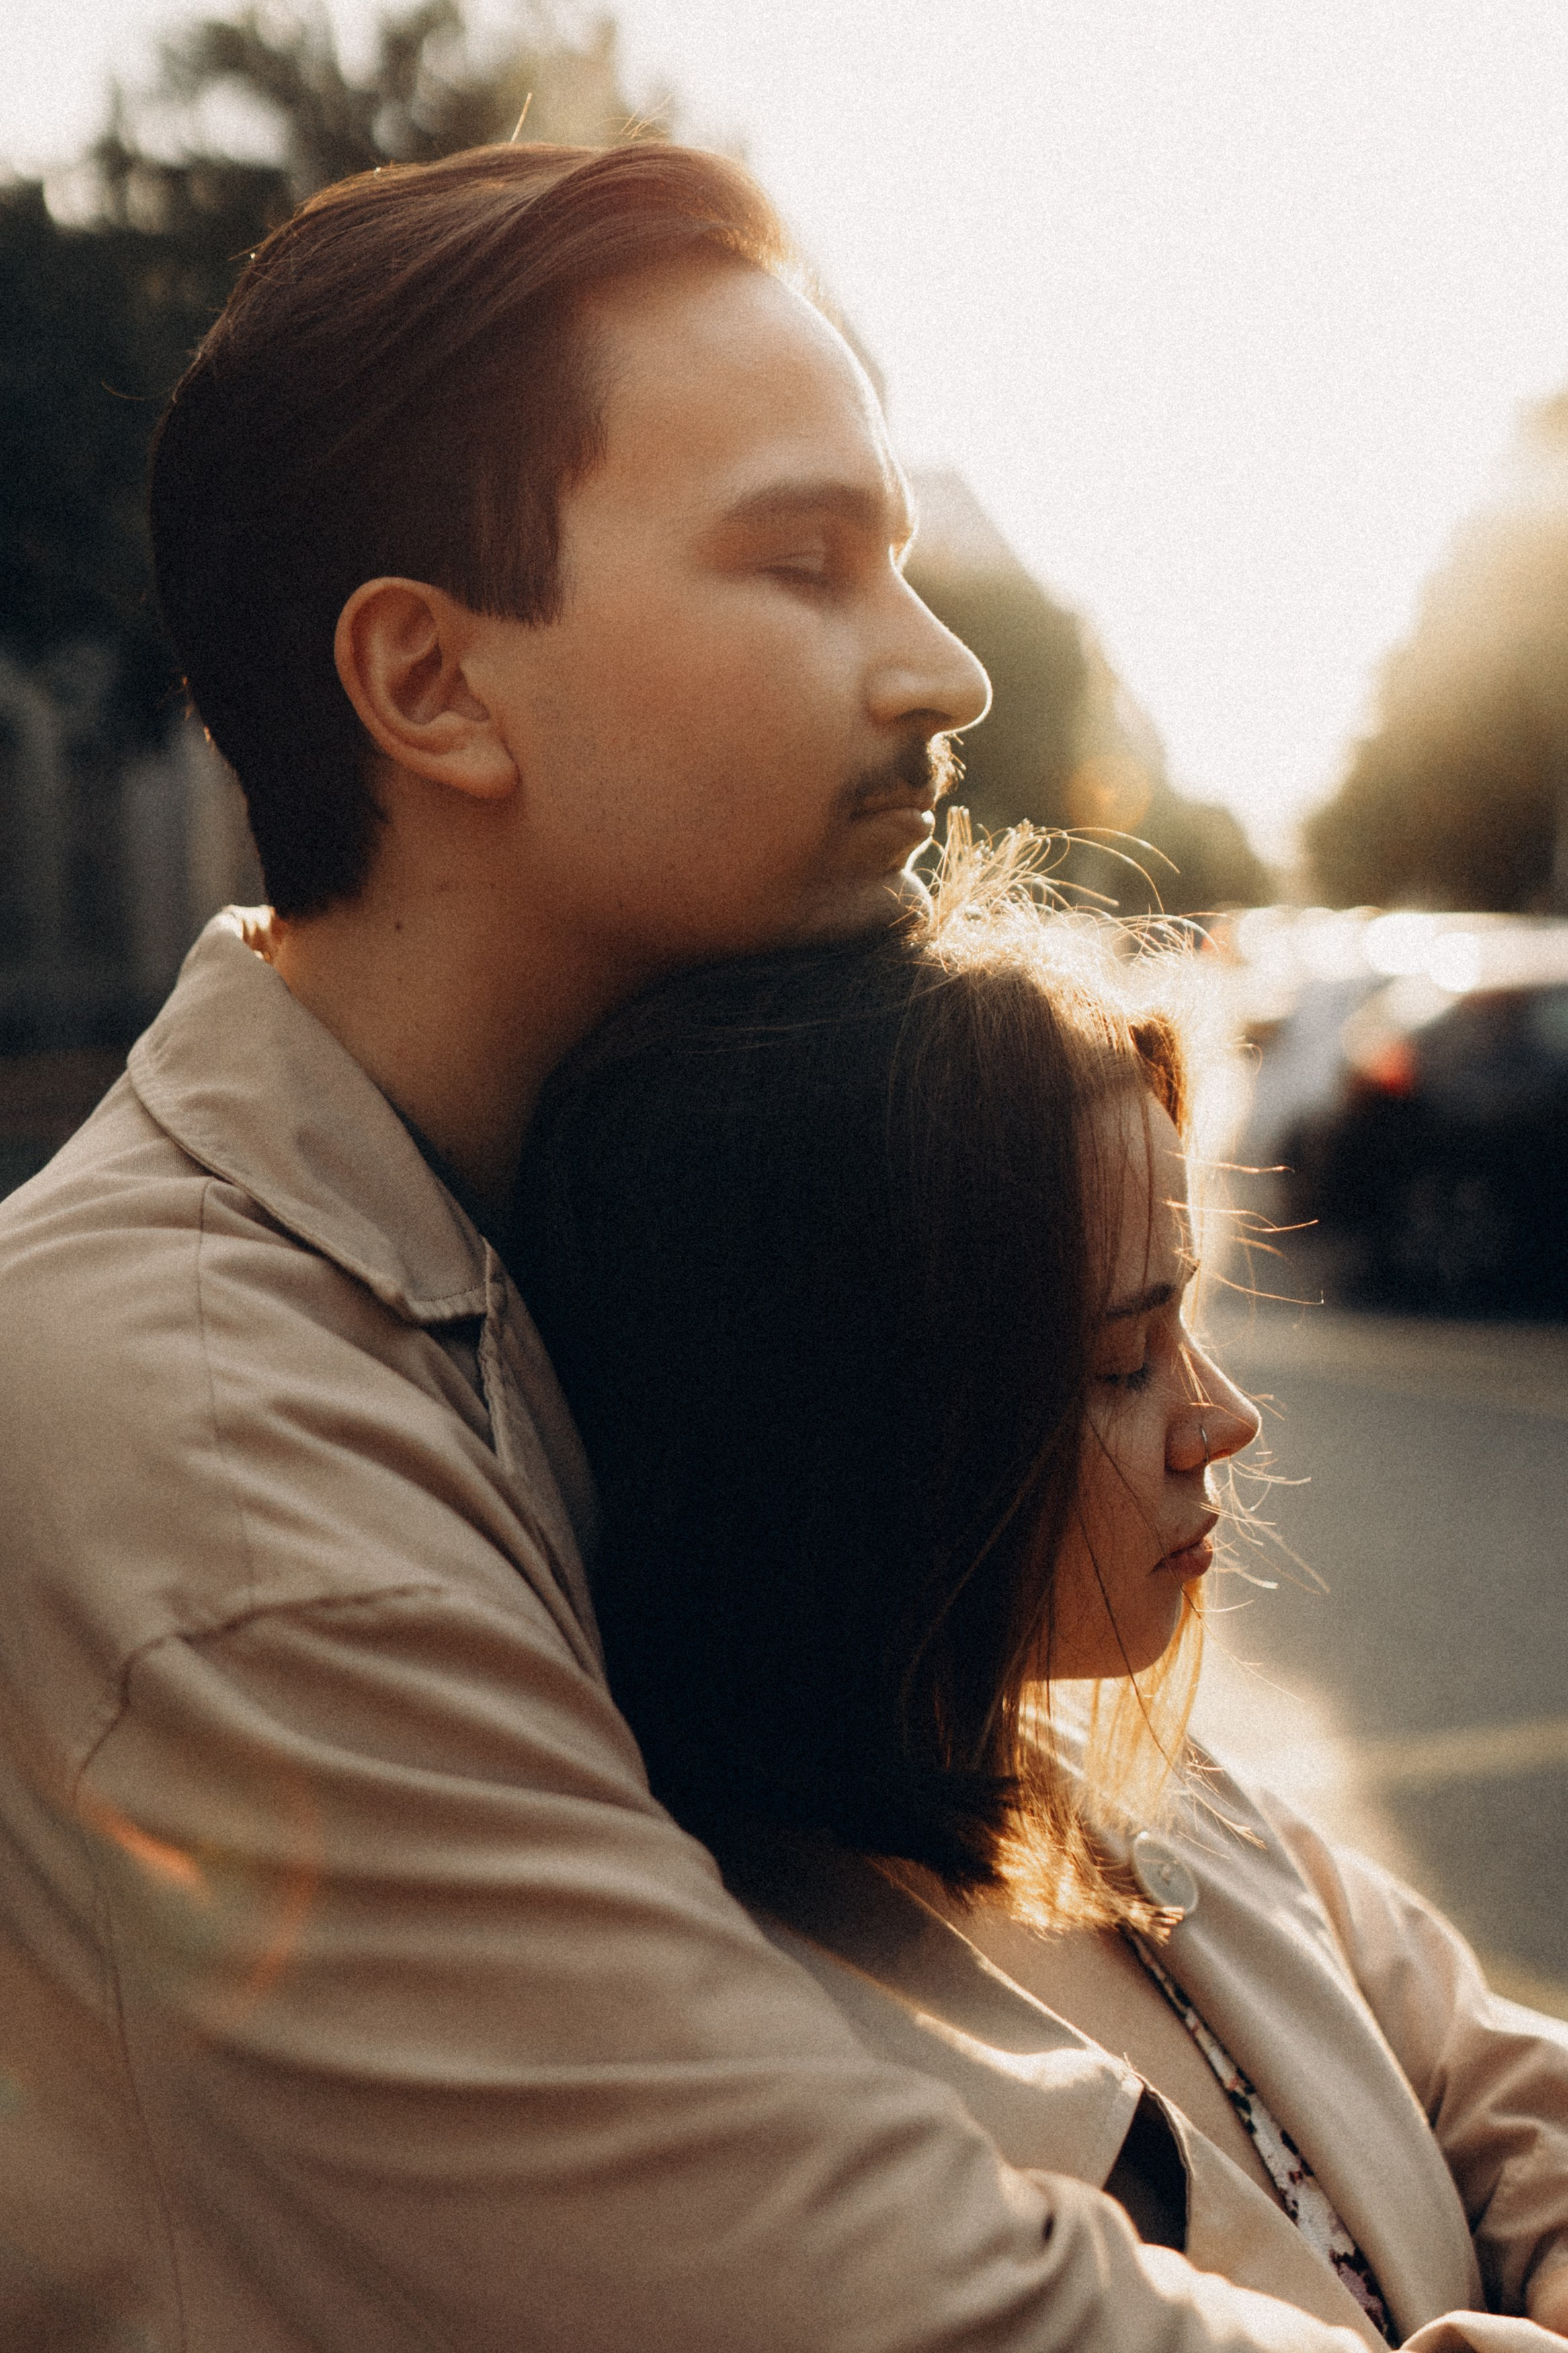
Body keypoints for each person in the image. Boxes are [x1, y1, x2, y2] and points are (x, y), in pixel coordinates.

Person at [0, 136, 1430, 2353]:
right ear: (430, 686)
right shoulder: (204, 1450)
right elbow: (877, 2302)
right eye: (803, 563)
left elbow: (1300, 1941)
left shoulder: (672, 1213)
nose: (944, 674)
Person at [511, 828, 1568, 2353]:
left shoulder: (1143, 1786)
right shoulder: (759, 2041)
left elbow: (1492, 2077)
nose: (1221, 1421)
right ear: (863, 1447)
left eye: (1186, 1326)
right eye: (1119, 1364)